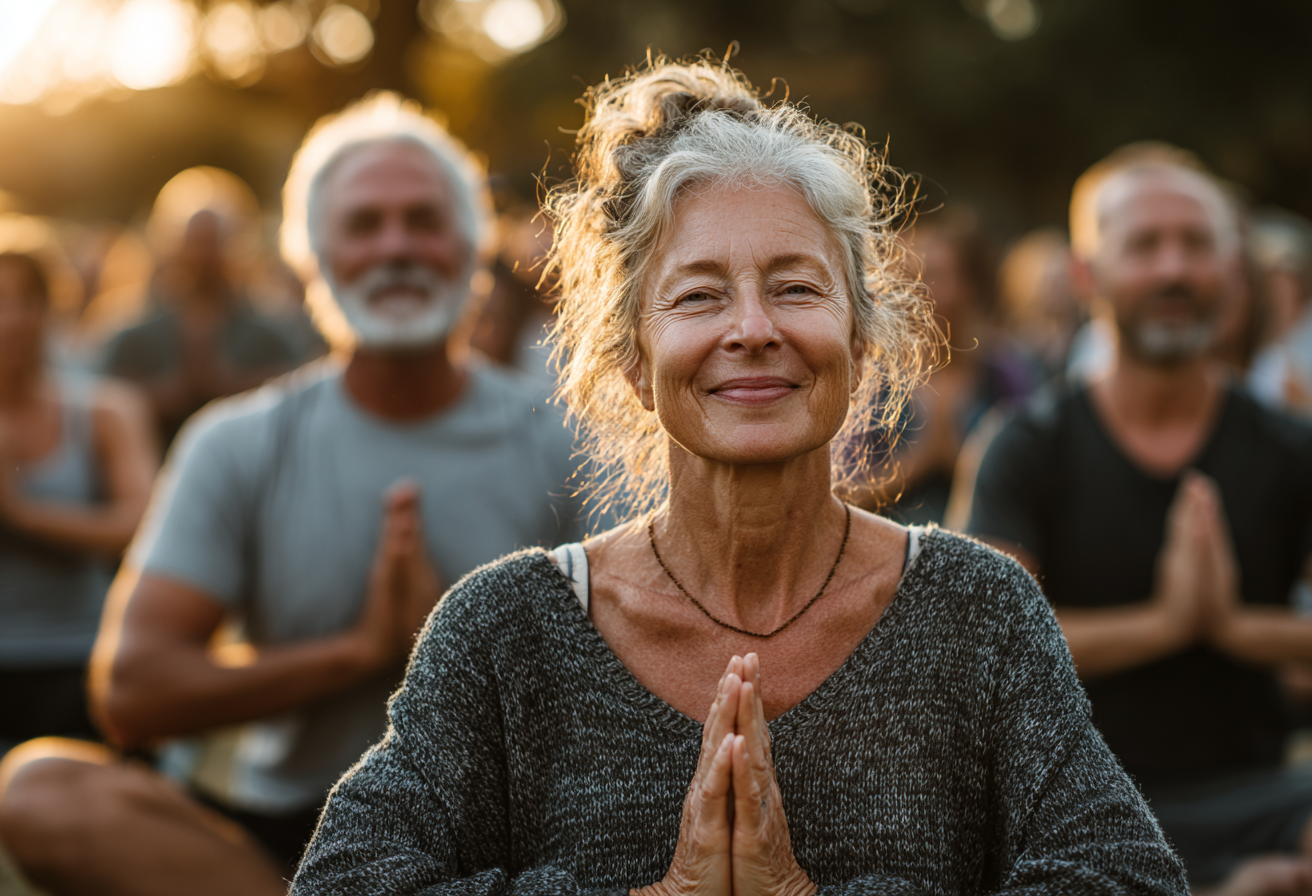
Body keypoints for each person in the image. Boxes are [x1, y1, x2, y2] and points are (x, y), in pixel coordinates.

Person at [290, 60, 1184, 896]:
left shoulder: (977, 611)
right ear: (633, 360)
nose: (753, 328)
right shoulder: (506, 630)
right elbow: (342, 882)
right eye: (698, 295)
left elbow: (1131, 880)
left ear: (860, 340)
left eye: (796, 288)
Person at [0, 92, 583, 895]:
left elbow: (642, 688)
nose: (395, 246)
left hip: (499, 835)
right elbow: (131, 693)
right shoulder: (236, 441)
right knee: (40, 792)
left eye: (422, 219)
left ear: (473, 245)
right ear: (311, 255)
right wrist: (356, 653)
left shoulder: (570, 440)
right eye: (363, 224)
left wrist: (445, 656)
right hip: (288, 832)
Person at [967, 143, 1312, 895]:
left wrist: (1233, 627)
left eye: (1196, 244)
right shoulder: (1025, 446)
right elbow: (986, 651)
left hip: (1262, 791)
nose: (1173, 269)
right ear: (1087, 274)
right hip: (1077, 801)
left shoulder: (1292, 448)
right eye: (1145, 245)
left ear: (1232, 269)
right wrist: (1166, 624)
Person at [0, 250, 156, 752]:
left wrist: (21, 513)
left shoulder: (104, 411)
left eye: (24, 301)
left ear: (49, 309)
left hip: (80, 657)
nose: (10, 320)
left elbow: (141, 526)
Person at [101, 167, 303, 446]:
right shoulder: (132, 330)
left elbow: (295, 392)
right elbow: (105, 398)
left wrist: (228, 386)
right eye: (196, 243)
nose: (204, 257)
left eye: (213, 243)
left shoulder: (273, 330)